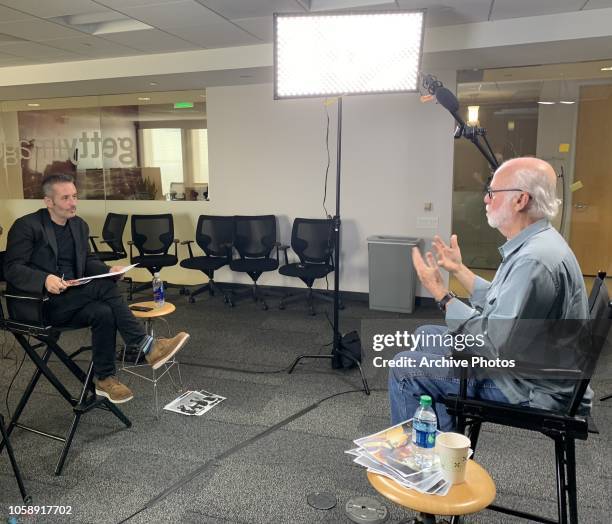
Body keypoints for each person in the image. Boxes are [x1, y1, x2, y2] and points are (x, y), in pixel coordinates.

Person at [389, 157, 591, 430]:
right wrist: (459, 270)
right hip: (527, 365)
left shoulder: (535, 260)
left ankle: (429, 463)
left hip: (528, 387)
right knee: (426, 334)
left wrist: (441, 294)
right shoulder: (537, 242)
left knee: (405, 369)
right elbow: (501, 302)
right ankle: (446, 449)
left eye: (493, 192)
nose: (486, 199)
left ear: (520, 200)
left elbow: (493, 346)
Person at [3, 173, 190, 404]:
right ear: (48, 201)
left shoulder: (78, 225)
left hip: (73, 297)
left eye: (74, 196)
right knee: (103, 289)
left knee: (105, 311)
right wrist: (44, 279)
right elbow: (11, 269)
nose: (73, 203)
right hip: (42, 305)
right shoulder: (27, 227)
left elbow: (88, 260)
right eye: (65, 198)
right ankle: (147, 345)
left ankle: (104, 378)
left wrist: (108, 270)